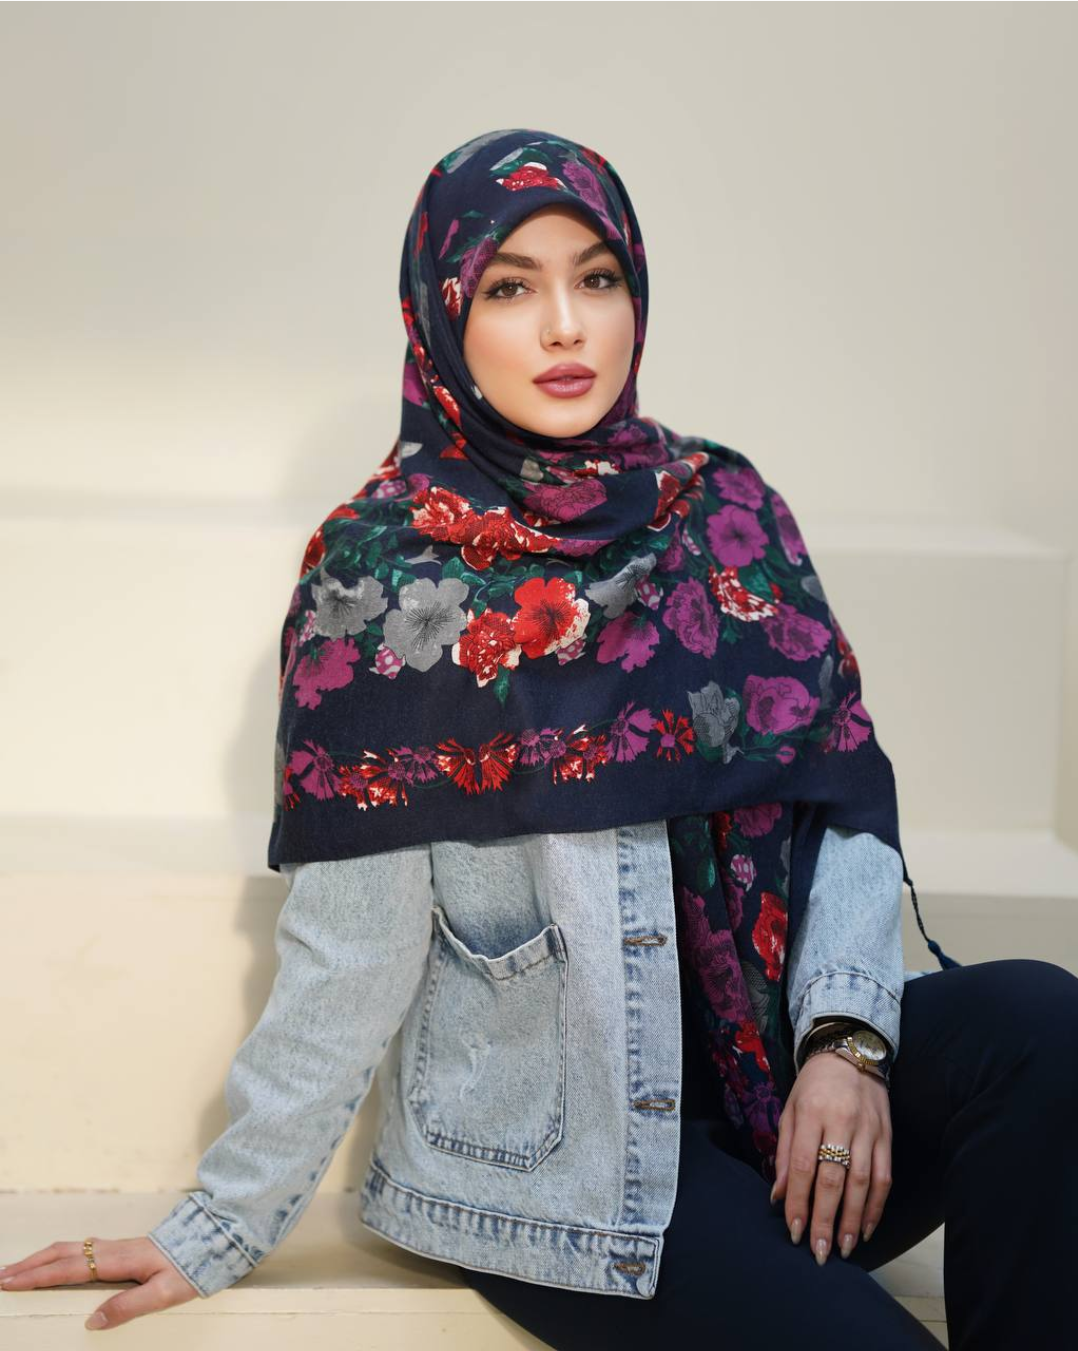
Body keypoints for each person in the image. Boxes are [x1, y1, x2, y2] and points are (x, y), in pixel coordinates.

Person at [3, 131, 1075, 1351]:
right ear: (443, 315)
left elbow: (842, 806)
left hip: (780, 1101)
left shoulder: (725, 510)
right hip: (569, 1176)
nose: (566, 325)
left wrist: (845, 1043)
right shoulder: (379, 581)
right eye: (511, 286)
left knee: (1045, 1025)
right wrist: (221, 1223)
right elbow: (349, 955)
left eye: (596, 277)